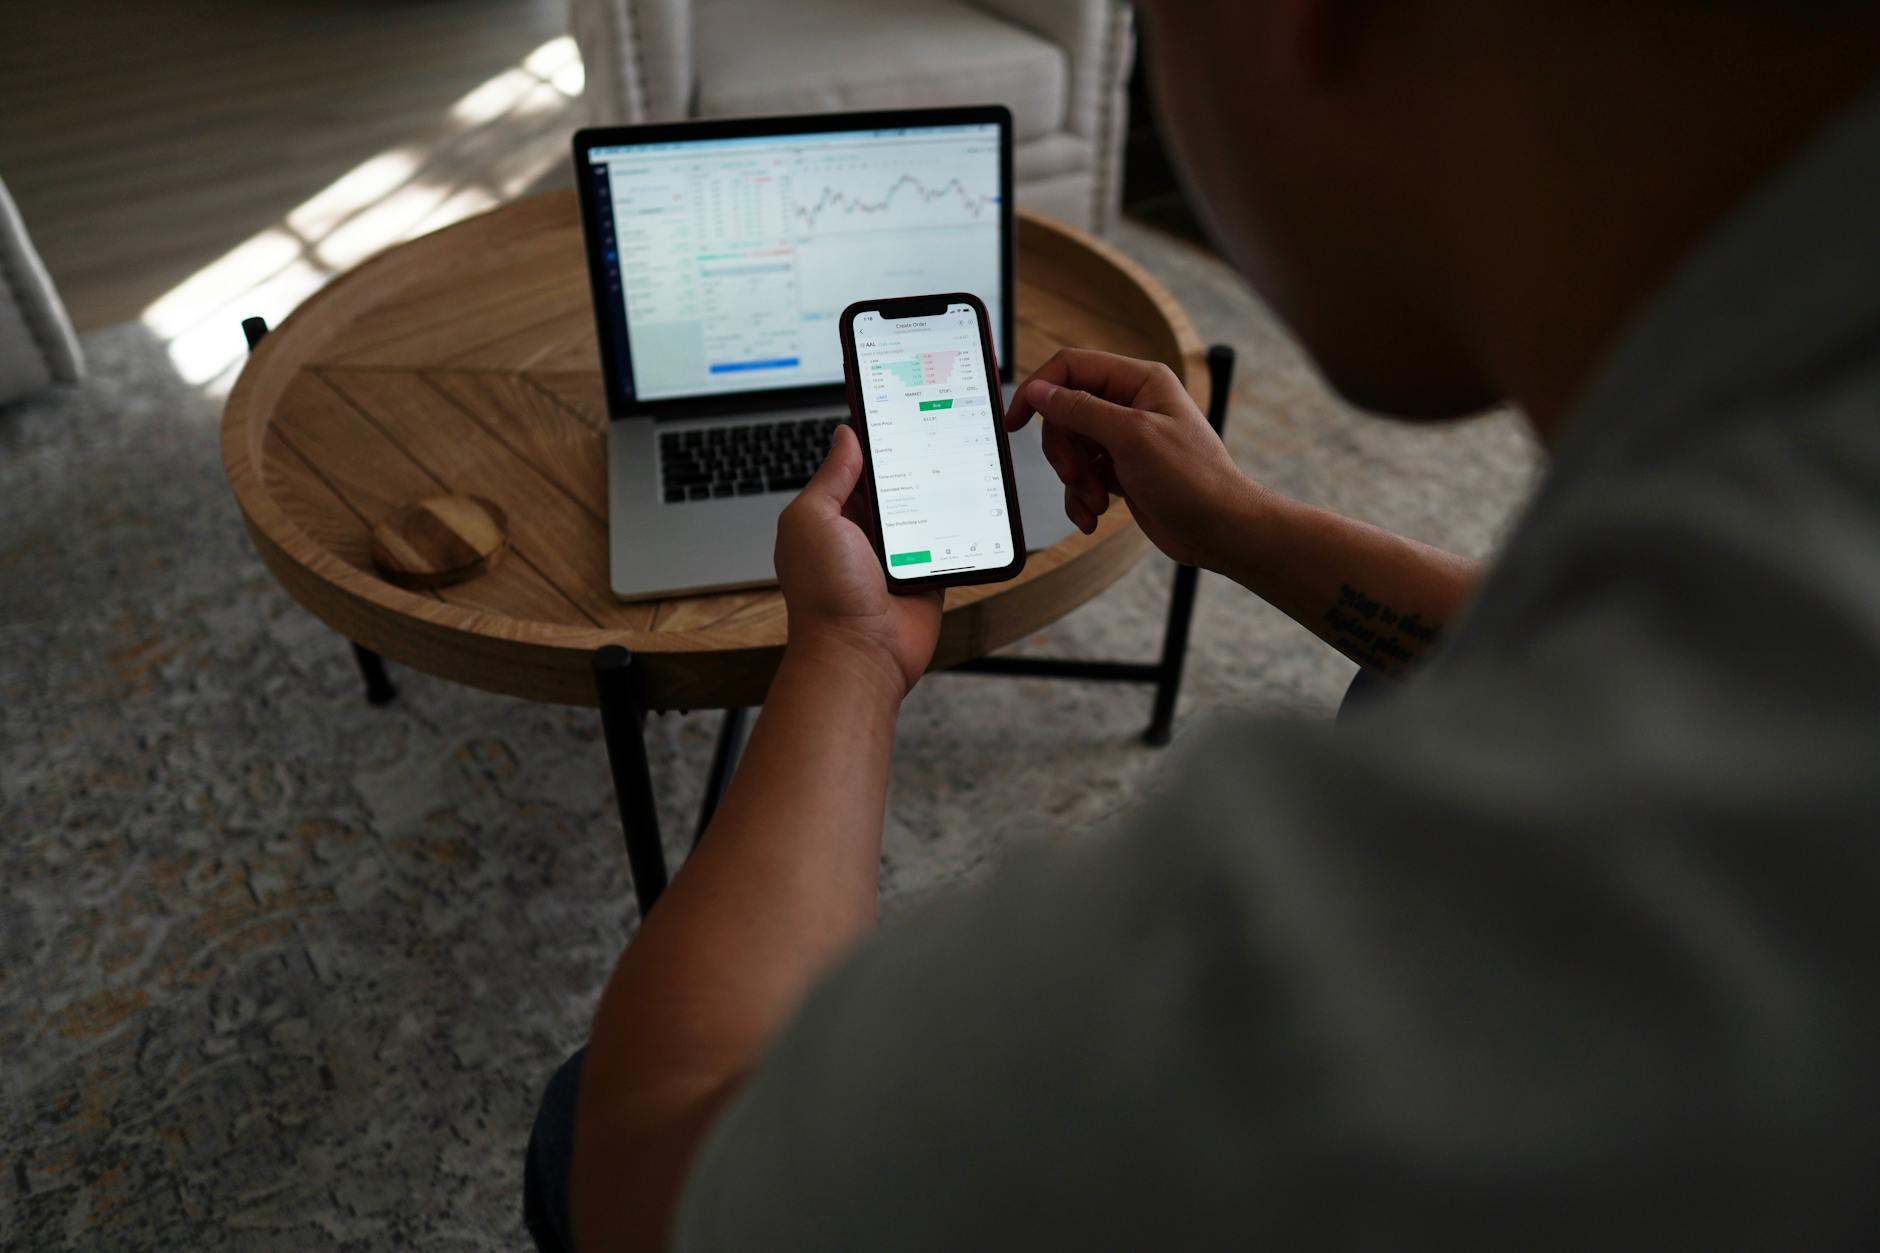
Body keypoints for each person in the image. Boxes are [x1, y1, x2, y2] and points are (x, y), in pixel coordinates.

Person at [526, 1, 1880, 1249]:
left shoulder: (1394, 927)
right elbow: (1531, 650)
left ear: (1290, 17)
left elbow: (659, 1168)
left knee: (574, 1115)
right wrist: (1242, 524)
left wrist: (847, 649)